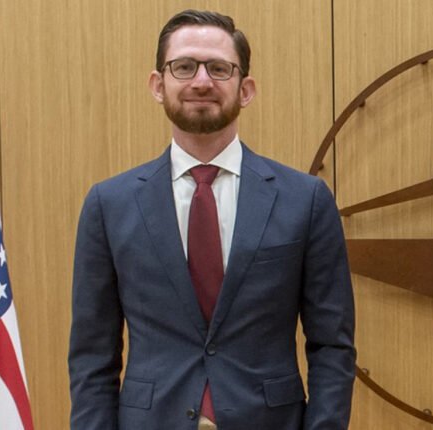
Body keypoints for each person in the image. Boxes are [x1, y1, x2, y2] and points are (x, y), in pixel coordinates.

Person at [68, 9, 356, 430]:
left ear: (245, 90)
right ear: (158, 85)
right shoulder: (109, 205)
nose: (201, 81)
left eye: (219, 69)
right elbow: (92, 357)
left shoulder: (305, 200)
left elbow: (332, 346)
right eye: (184, 67)